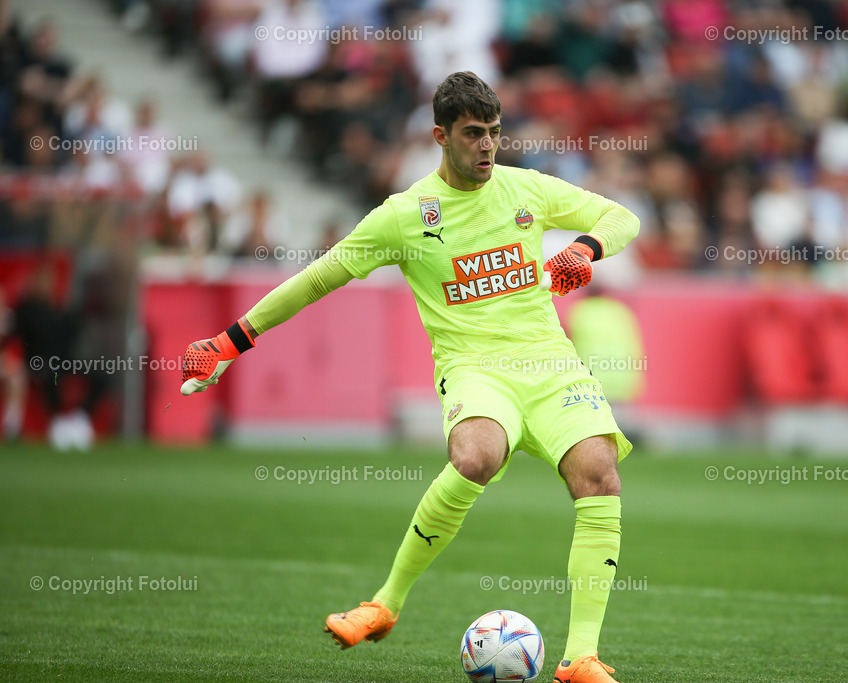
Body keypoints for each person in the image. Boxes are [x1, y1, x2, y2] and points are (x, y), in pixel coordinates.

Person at [180, 72, 639, 683]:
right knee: (475, 456)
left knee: (599, 474)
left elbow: (621, 217)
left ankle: (580, 656)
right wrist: (231, 340)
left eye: (495, 133)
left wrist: (584, 248)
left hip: (551, 364)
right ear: (440, 136)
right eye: (474, 134)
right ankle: (384, 604)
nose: (487, 146)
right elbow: (320, 277)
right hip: (474, 368)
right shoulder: (404, 216)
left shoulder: (524, 189)